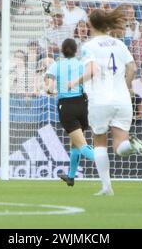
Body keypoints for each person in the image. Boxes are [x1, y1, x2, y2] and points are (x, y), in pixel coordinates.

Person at [68, 7, 142, 196]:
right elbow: (132, 68)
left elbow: (91, 72)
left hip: (100, 100)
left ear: (90, 25)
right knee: (120, 145)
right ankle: (132, 145)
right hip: (122, 99)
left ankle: (107, 187)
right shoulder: (119, 43)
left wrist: (74, 82)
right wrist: (127, 86)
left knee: (99, 142)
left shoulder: (89, 46)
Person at [44, 38, 95, 187]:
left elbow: (50, 88)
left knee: (82, 145)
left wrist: (48, 89)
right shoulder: (80, 64)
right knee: (75, 144)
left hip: (67, 107)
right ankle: (71, 177)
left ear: (62, 50)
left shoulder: (56, 65)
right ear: (75, 50)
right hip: (82, 104)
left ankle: (101, 160)